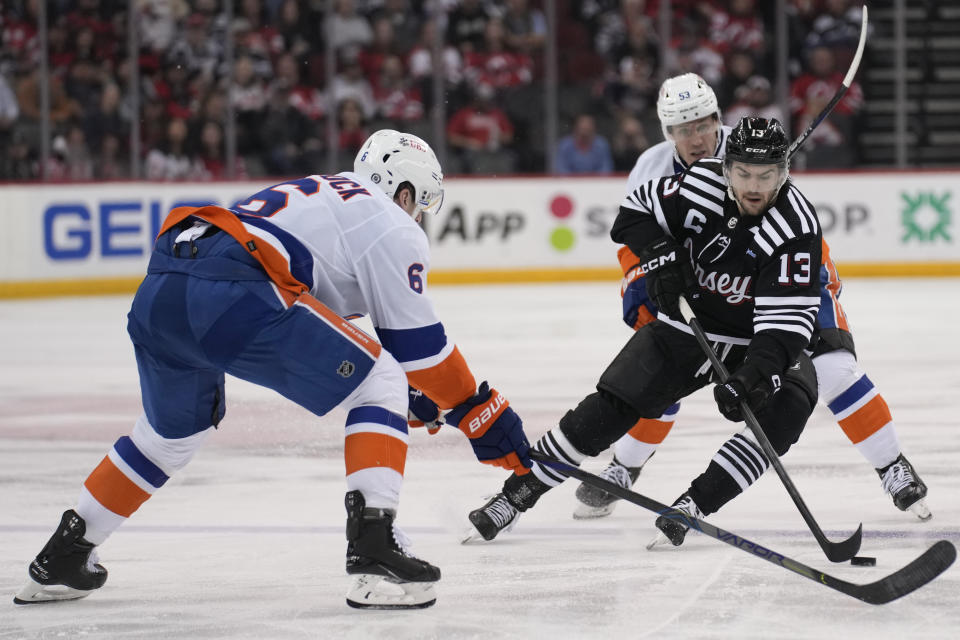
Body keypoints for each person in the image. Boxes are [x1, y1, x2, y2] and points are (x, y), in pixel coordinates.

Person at [14, 129, 532, 610]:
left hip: (164, 284)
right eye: (420, 202)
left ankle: (63, 554)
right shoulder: (389, 221)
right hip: (236, 287)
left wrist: (423, 394)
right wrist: (479, 408)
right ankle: (374, 550)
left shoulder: (325, 194)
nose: (418, 215)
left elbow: (324, 312)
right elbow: (420, 351)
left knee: (167, 436)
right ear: (403, 191)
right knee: (382, 383)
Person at [572, 73, 930, 524]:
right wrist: (643, 279)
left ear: (718, 118)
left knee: (834, 366)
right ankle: (624, 466)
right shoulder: (652, 167)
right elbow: (637, 235)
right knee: (661, 370)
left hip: (781, 279)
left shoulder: (748, 149)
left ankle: (891, 465)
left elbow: (800, 231)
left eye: (703, 123)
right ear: (667, 132)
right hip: (710, 289)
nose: (697, 137)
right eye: (684, 129)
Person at [465, 116, 824, 547]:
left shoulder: (797, 228)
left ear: (783, 173)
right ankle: (515, 496)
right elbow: (632, 213)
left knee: (791, 405)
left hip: (753, 341)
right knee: (609, 407)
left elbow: (785, 328)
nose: (753, 187)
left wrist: (753, 379)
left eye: (766, 176)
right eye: (743, 173)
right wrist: (662, 256)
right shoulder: (699, 184)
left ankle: (694, 504)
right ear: (726, 167)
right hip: (687, 327)